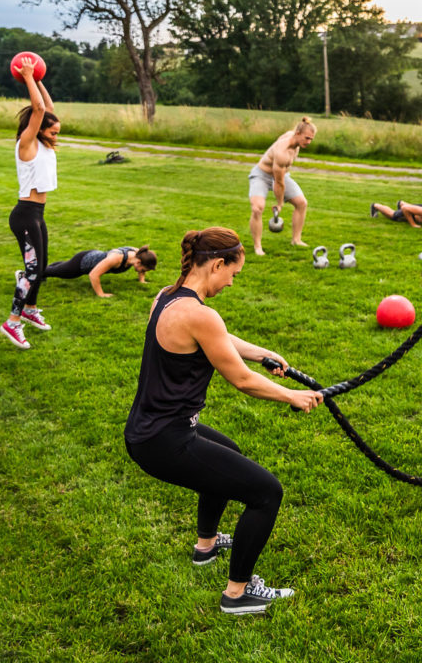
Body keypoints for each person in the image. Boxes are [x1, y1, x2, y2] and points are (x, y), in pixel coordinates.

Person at [123, 227, 323, 615]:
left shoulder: (166, 297)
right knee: (266, 492)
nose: (232, 281)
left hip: (150, 430)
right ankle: (238, 594)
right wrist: (293, 396)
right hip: (165, 440)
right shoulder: (201, 314)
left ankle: (206, 545)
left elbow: (219, 338)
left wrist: (261, 351)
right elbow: (242, 380)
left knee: (225, 453)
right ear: (217, 264)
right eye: (233, 273)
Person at [0, 56, 59, 349]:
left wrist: (37, 78)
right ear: (38, 130)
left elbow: (47, 109)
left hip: (38, 213)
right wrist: (26, 78)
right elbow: (38, 110)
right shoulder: (27, 143)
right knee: (33, 270)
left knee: (42, 267)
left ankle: (30, 309)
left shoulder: (44, 144)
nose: (56, 136)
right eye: (52, 131)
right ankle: (12, 322)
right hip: (24, 214)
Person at [248, 117, 316, 253]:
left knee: (302, 203)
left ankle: (296, 240)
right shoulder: (282, 153)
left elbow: (280, 178)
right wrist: (280, 204)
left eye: (311, 139)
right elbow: (278, 183)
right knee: (257, 208)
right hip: (261, 175)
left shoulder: (293, 136)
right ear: (298, 134)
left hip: (281, 174)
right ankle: (257, 246)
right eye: (306, 138)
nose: (308, 142)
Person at [45, 245, 158, 298]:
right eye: (143, 270)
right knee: (59, 272)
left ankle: (47, 269)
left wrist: (142, 280)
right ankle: (32, 274)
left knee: (59, 268)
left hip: (93, 254)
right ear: (138, 262)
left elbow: (143, 268)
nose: (142, 272)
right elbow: (93, 274)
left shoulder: (139, 254)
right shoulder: (116, 258)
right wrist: (101, 294)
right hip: (82, 263)